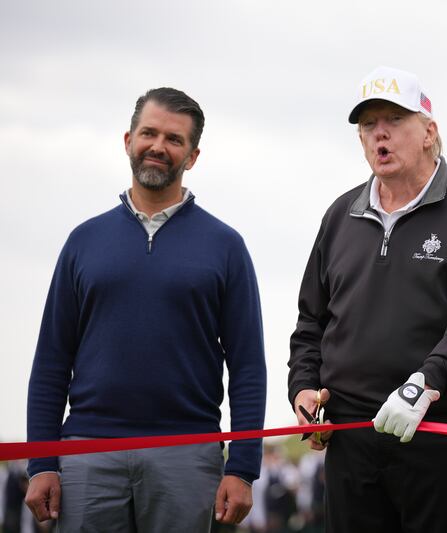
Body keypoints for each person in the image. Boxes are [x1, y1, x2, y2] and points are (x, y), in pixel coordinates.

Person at [24, 87, 267, 532]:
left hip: (187, 456)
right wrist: (41, 461)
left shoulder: (226, 247)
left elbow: (248, 365)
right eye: (148, 133)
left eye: (174, 139)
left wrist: (242, 467)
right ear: (128, 141)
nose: (158, 146)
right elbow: (51, 361)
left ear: (192, 156)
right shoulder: (84, 242)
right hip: (87, 455)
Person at [288, 65, 447, 533]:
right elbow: (312, 319)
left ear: (429, 132)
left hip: (446, 432)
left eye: (394, 120)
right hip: (354, 439)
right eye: (368, 125)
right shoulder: (340, 215)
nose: (380, 135)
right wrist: (304, 387)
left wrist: (425, 382)